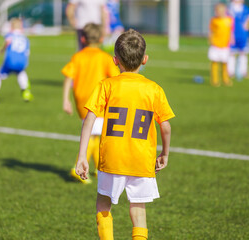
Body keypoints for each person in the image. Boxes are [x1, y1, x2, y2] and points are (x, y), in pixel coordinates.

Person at [75, 29, 175, 240]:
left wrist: (82, 155)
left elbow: (89, 120)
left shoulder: (106, 85)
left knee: (103, 203)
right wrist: (165, 153)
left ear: (115, 60)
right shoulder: (154, 89)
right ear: (145, 60)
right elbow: (165, 126)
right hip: (141, 160)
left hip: (112, 158)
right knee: (138, 210)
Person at [61, 23, 119, 184]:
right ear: (101, 39)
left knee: (94, 134)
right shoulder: (105, 58)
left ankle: (99, 168)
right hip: (98, 101)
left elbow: (68, 77)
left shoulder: (77, 57)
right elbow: (116, 79)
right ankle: (77, 168)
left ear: (83, 38)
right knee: (94, 136)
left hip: (81, 101)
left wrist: (66, 100)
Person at [0, 18, 33, 106]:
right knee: (21, 73)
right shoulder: (25, 39)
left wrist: (2, 50)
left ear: (12, 26)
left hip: (11, 61)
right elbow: (27, 53)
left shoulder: (10, 35)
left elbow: (7, 42)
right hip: (22, 62)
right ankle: (26, 92)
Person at [208, 3, 234, 87]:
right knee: (214, 62)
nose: (220, 13)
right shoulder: (214, 20)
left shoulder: (229, 20)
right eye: (218, 11)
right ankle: (215, 80)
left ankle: (225, 79)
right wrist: (210, 39)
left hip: (225, 45)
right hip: (215, 45)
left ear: (225, 11)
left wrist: (232, 39)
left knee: (225, 63)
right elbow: (211, 31)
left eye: (222, 11)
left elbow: (231, 31)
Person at [228, 0, 249, 80]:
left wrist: (246, 27)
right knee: (231, 53)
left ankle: (243, 71)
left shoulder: (245, 9)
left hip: (243, 36)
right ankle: (230, 72)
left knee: (243, 53)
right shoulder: (229, 8)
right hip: (232, 35)